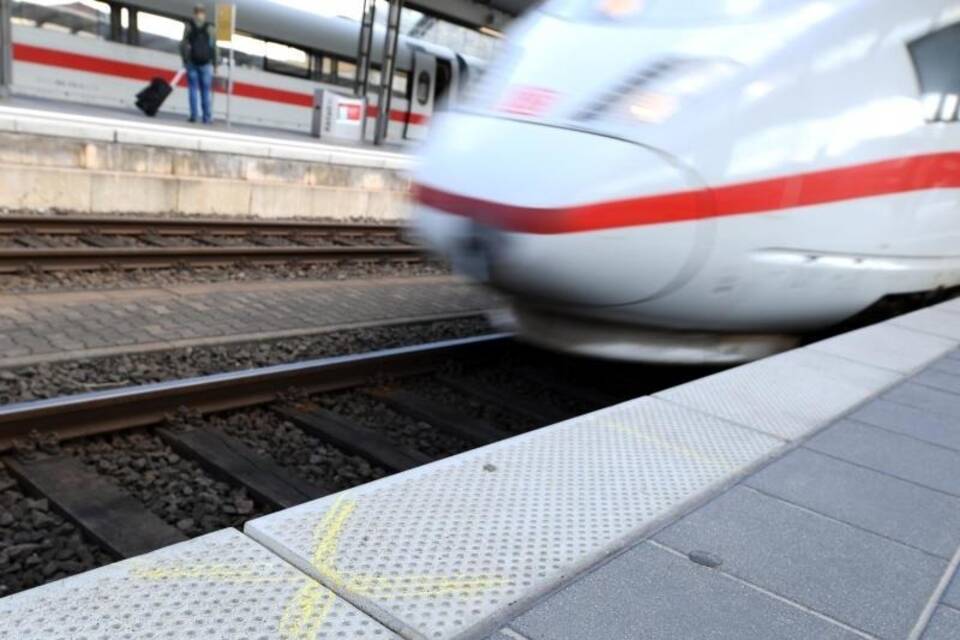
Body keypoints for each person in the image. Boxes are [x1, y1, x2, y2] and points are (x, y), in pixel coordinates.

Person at [180, 4, 218, 124]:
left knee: (192, 89)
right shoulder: (210, 28)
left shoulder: (189, 26)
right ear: (204, 14)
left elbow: (182, 45)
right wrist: (216, 64)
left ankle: (193, 116)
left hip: (192, 62)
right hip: (206, 64)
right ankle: (206, 118)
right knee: (205, 91)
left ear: (194, 13)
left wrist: (185, 60)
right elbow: (215, 48)